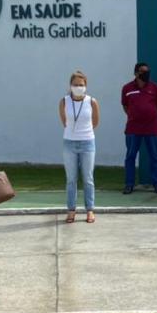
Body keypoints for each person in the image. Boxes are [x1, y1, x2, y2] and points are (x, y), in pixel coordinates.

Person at [59, 70, 100, 223]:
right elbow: (64, 121)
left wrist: (84, 132)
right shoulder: (64, 101)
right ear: (70, 86)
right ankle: (71, 210)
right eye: (75, 84)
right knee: (71, 179)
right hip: (69, 142)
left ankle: (90, 210)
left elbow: (95, 122)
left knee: (88, 178)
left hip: (88, 142)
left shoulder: (92, 101)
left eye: (81, 85)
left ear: (86, 86)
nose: (78, 87)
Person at [121, 61, 157, 194]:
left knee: (154, 156)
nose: (146, 74)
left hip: (152, 127)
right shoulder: (127, 88)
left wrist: (151, 115)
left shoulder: (155, 88)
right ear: (136, 73)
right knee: (130, 156)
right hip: (133, 128)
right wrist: (134, 115)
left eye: (147, 71)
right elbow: (125, 105)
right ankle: (129, 184)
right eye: (143, 71)